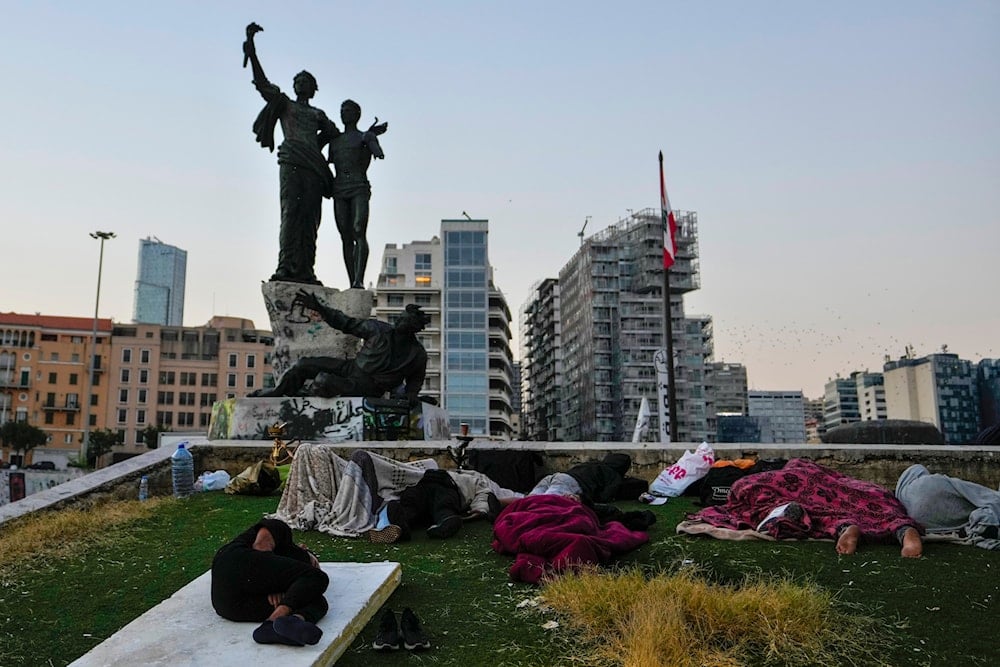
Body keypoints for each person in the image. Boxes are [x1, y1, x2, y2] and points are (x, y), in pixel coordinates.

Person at [243, 23, 339, 285]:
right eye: (298, 80)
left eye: (306, 81)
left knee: (311, 219)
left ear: (313, 87)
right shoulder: (284, 103)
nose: (301, 83)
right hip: (292, 162)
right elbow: (262, 84)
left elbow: (334, 133)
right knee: (291, 212)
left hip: (313, 167)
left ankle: (306, 270)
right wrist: (251, 52)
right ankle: (285, 266)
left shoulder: (317, 113)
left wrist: (315, 148)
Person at [686, 458, 924, 558]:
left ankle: (844, 527)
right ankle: (902, 529)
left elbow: (740, 498)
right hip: (824, 480)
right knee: (862, 499)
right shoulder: (784, 466)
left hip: (788, 486)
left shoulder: (745, 481)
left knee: (817, 513)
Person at [252, 289, 430, 401]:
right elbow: (345, 323)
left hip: (370, 388)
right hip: (352, 368)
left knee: (324, 381)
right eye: (399, 318)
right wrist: (320, 308)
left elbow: (414, 383)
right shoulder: (379, 329)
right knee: (303, 364)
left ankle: (303, 397)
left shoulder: (417, 354)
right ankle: (278, 393)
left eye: (404, 320)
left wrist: (410, 398)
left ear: (413, 327)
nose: (398, 321)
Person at [211, 518, 329, 646]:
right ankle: (274, 621)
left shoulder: (287, 572)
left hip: (230, 606)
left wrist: (275, 585)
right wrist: (272, 584)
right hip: (233, 563)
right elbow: (260, 546)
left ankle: (282, 625)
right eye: (313, 562)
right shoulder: (281, 532)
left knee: (317, 601)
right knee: (317, 577)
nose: (313, 565)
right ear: (302, 548)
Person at [329, 99, 387, 288]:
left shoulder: (365, 136)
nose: (344, 113)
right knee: (345, 235)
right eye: (342, 110)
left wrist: (374, 145)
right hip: (339, 189)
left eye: (348, 110)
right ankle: (351, 279)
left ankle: (359, 280)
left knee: (358, 230)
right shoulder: (335, 141)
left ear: (357, 114)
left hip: (359, 187)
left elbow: (376, 150)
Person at [895, 464, 1000, 550]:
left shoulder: (903, 508)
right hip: (931, 492)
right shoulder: (928, 482)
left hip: (922, 519)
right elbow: (977, 493)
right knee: (986, 498)